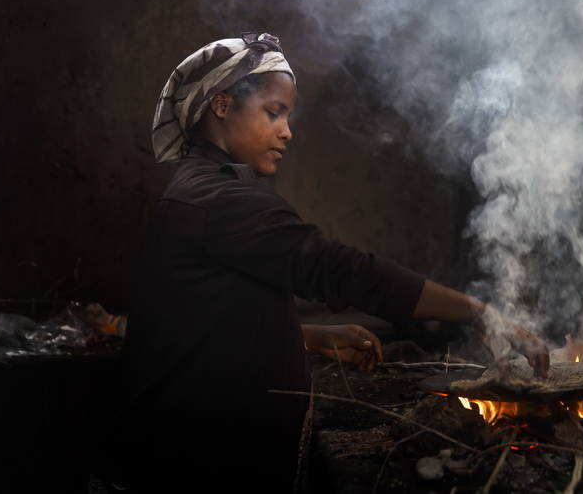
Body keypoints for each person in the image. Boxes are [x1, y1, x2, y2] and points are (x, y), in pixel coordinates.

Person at [108, 33, 548, 493]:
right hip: (195, 464)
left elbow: (203, 321)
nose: (287, 131)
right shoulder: (220, 199)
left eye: (288, 116)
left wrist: (307, 337)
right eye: (273, 112)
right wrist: (479, 311)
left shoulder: (199, 189)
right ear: (221, 105)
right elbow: (341, 269)